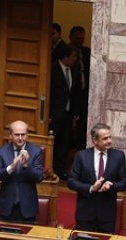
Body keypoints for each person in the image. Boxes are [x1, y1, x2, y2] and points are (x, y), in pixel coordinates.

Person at [68, 123, 126, 234]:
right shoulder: (81, 155)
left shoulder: (118, 156)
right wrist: (91, 188)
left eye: (110, 137)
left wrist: (111, 185)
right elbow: (71, 182)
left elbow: (123, 183)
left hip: (107, 213)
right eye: (105, 138)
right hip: (85, 212)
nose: (109, 141)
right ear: (95, 140)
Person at [0, 121, 45, 222]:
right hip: (6, 207)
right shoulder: (2, 151)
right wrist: (11, 167)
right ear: (10, 135)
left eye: (23, 134)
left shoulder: (36, 151)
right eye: (17, 135)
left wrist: (26, 166)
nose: (20, 138)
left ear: (27, 135)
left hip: (27, 207)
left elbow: (39, 177)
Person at [49, 44, 80, 177]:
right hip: (54, 113)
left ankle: (60, 170)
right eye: (73, 56)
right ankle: (48, 169)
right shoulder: (52, 69)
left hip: (67, 114)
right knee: (52, 142)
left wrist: (75, 114)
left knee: (64, 142)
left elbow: (75, 93)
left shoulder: (74, 70)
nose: (75, 59)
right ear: (65, 56)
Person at [67, 26, 92, 149]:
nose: (80, 41)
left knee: (83, 124)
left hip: (85, 95)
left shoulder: (87, 52)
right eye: (77, 38)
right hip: (71, 94)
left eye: (82, 38)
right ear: (70, 37)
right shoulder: (65, 52)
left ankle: (81, 148)